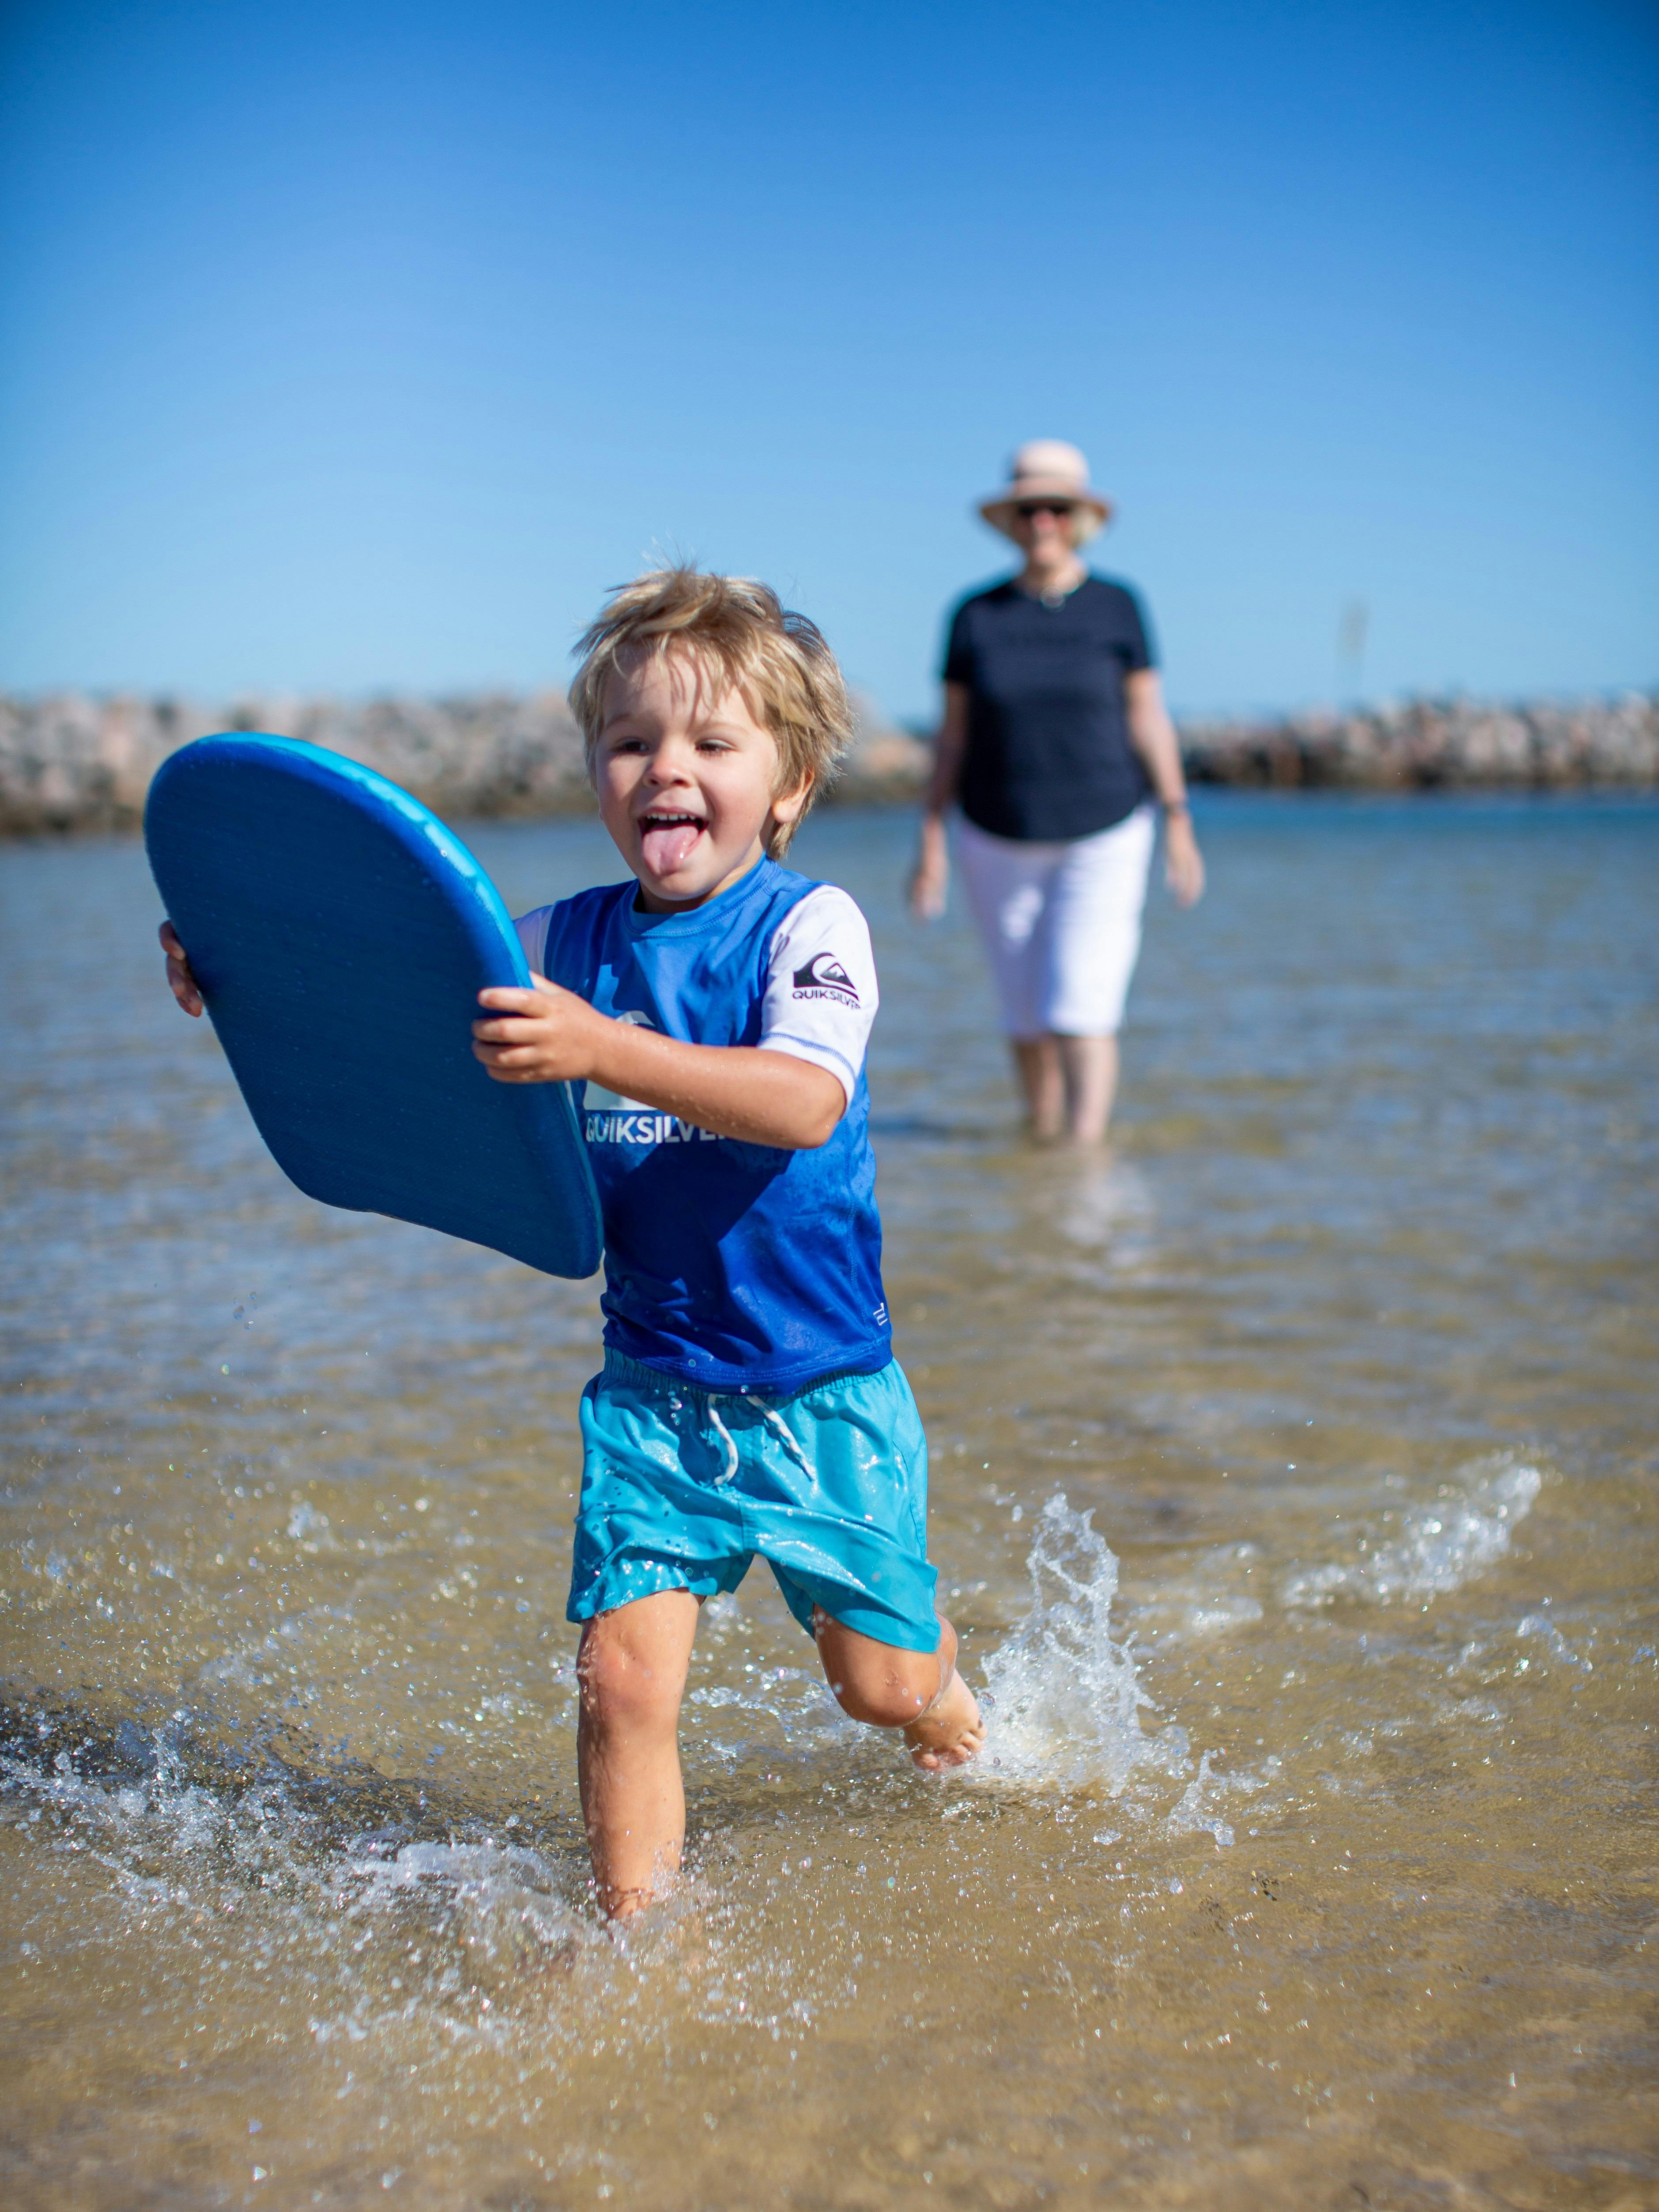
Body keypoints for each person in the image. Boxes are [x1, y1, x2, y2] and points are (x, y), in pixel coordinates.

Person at [160, 567, 984, 1921]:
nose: (666, 768)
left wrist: (602, 1048)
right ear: (598, 774)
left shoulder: (807, 925)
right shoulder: (558, 944)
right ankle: (633, 1941)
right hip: (652, 1388)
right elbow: (383, 1001)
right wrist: (229, 964)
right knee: (620, 1678)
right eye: (630, 742)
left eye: (712, 744)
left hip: (818, 1384)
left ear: (787, 786)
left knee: (876, 1687)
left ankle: (946, 1698)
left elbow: (801, 1098)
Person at [910, 440, 1205, 1145]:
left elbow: (1147, 715)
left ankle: (1083, 1157)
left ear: (1079, 518)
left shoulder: (1118, 607)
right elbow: (952, 736)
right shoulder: (973, 615)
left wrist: (1179, 819)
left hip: (1105, 829)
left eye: (1057, 507)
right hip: (994, 831)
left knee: (1081, 1003)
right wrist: (929, 841)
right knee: (1024, 1014)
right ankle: (1038, 1145)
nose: (1042, 519)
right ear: (1010, 520)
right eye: (1028, 508)